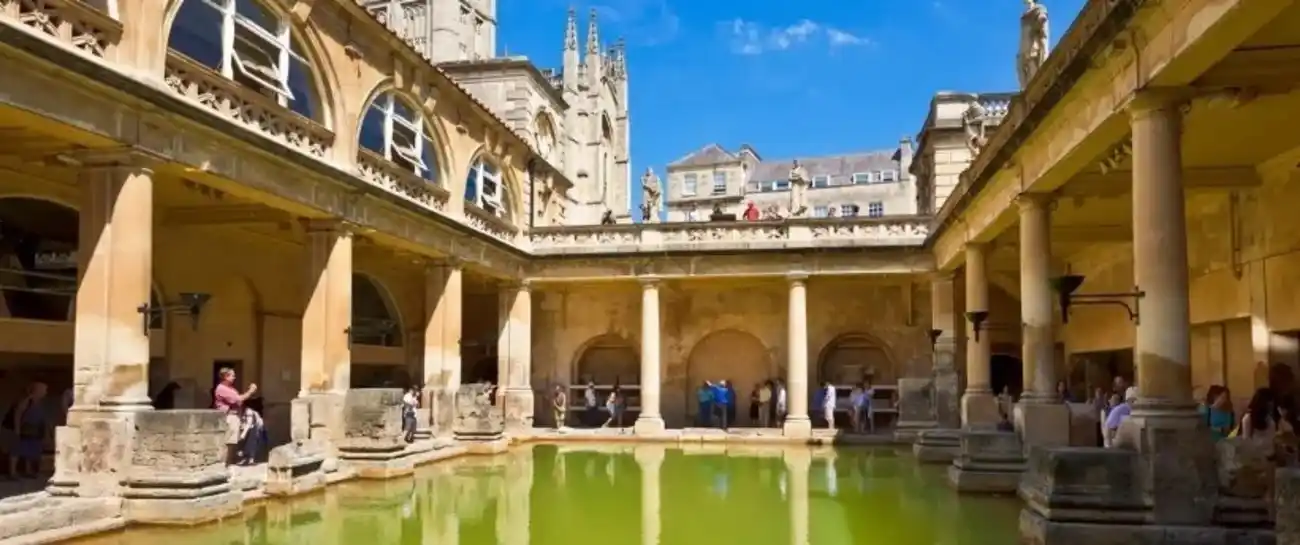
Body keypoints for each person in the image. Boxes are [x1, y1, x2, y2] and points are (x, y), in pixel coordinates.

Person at [213, 367, 257, 465]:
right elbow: (238, 399)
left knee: (233, 441)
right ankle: (225, 463)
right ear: (225, 376)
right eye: (232, 375)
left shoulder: (230, 388)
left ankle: (230, 462)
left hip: (235, 415)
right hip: (229, 416)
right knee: (228, 442)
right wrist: (250, 391)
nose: (234, 377)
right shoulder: (222, 389)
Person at [6, 381, 48, 479]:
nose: (46, 392)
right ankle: (13, 473)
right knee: (17, 450)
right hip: (24, 429)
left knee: (31, 450)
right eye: (44, 390)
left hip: (35, 430)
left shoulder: (39, 403)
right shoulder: (27, 400)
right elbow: (18, 414)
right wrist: (17, 429)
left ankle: (28, 471)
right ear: (37, 390)